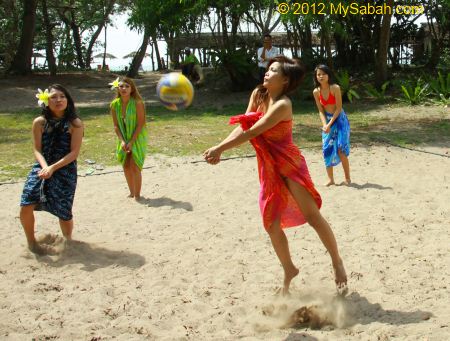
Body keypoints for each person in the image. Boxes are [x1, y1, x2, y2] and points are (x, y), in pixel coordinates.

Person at [203, 56, 347, 296]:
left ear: (285, 80)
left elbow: (256, 130)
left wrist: (221, 150)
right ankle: (289, 269)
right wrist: (219, 145)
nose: (267, 73)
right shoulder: (259, 94)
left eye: (273, 71)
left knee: (312, 216)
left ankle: (336, 261)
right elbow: (245, 125)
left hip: (288, 164)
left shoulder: (284, 105)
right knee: (270, 223)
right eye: (268, 70)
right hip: (267, 165)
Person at [20, 84, 83, 255]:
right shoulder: (39, 122)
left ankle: (68, 242)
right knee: (26, 205)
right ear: (45, 101)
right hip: (41, 167)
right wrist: (45, 167)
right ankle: (32, 243)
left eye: (62, 96)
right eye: (54, 97)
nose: (58, 100)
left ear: (68, 100)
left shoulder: (75, 123)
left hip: (65, 169)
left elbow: (74, 153)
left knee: (64, 211)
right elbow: (37, 150)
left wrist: (53, 168)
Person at [312, 64, 351, 186]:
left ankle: (347, 179)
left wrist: (329, 124)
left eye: (323, 74)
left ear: (328, 75)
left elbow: (339, 108)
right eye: (319, 74)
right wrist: (325, 125)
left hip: (339, 120)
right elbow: (320, 110)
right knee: (326, 149)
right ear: (316, 77)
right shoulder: (316, 92)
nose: (321, 76)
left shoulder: (335, 88)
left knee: (341, 149)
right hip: (328, 121)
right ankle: (331, 179)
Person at [110, 77, 147, 200]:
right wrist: (122, 141)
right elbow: (115, 125)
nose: (124, 88)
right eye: (121, 86)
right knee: (126, 165)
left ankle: (137, 195)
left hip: (137, 136)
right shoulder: (114, 104)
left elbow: (141, 123)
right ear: (118, 88)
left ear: (132, 89)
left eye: (127, 86)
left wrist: (131, 141)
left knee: (135, 165)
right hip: (123, 137)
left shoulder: (137, 102)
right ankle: (131, 192)